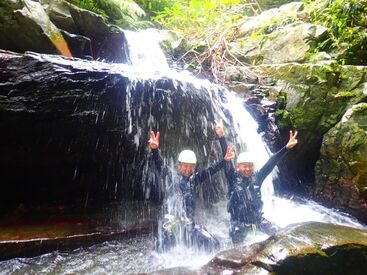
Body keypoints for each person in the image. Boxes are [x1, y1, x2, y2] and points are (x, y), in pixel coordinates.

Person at [148, 129, 234, 252]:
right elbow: (159, 164)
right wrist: (155, 150)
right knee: (157, 251)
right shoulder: (170, 176)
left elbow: (211, 170)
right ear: (179, 165)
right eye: (185, 165)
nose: (188, 169)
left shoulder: (195, 179)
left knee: (214, 244)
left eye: (192, 166)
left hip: (189, 225)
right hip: (171, 225)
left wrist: (224, 161)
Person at [214, 120, 298, 244]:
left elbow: (271, 163)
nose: (247, 169)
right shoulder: (232, 178)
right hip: (239, 224)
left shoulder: (257, 178)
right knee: (238, 250)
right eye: (244, 166)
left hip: (257, 221)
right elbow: (227, 157)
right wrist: (221, 136)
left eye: (250, 166)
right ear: (238, 167)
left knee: (281, 236)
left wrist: (286, 148)